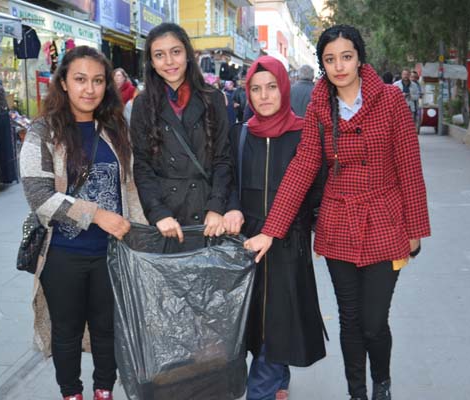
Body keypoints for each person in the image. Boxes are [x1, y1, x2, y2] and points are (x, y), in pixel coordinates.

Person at [244, 25, 431, 400]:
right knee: (349, 320)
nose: (339, 66)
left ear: (360, 57)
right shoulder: (318, 105)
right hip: (338, 227)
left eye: (346, 56)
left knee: (374, 323)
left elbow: (409, 168)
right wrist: (272, 229)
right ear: (323, 65)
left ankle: (382, 382)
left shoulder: (391, 101)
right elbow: (303, 167)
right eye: (330, 59)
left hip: (385, 225)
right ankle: (357, 393)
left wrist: (415, 229)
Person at [19, 46, 147, 400]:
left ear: (107, 86)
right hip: (62, 254)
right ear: (62, 83)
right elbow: (39, 195)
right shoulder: (42, 132)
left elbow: (131, 188)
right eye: (79, 80)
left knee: (109, 330)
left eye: (97, 81)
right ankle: (71, 393)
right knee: (67, 331)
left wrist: (143, 232)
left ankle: (103, 391)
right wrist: (96, 214)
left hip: (111, 254)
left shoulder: (115, 128)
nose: (89, 89)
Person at [223, 55, 326, 400]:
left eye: (271, 87)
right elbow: (228, 184)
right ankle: (278, 376)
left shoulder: (305, 135)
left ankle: (263, 390)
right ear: (247, 94)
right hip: (247, 246)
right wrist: (232, 208)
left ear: (283, 88)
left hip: (287, 249)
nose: (264, 96)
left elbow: (316, 192)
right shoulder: (240, 134)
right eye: (256, 89)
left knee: (276, 325)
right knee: (253, 326)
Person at [130, 22, 231, 243]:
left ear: (187, 54)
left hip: (207, 215)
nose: (169, 62)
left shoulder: (213, 98)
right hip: (168, 217)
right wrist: (158, 212)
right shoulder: (143, 104)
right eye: (159, 55)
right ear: (152, 62)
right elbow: (142, 165)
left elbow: (223, 159)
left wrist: (216, 206)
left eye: (175, 52)